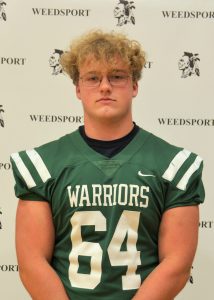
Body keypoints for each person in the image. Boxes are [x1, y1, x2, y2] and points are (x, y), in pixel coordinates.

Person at [11, 30, 205, 300]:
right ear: (78, 88)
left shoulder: (174, 165)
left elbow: (177, 264)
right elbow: (32, 263)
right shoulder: (44, 164)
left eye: (116, 76)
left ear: (134, 85)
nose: (104, 86)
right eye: (92, 78)